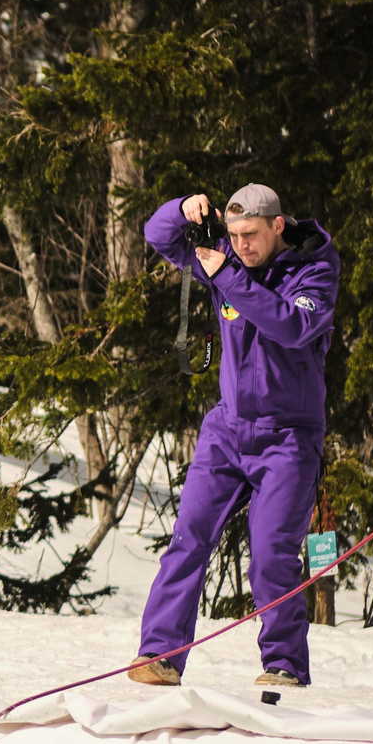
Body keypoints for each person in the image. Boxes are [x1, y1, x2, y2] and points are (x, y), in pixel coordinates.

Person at [128, 182, 338, 689]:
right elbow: (157, 236)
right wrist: (181, 208)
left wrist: (228, 278)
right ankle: (160, 654)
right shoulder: (225, 257)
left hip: (288, 436)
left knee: (270, 556)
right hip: (227, 428)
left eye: (252, 235)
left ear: (277, 227)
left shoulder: (315, 269)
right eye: (235, 234)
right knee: (188, 539)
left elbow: (289, 327)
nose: (242, 245)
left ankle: (284, 663)